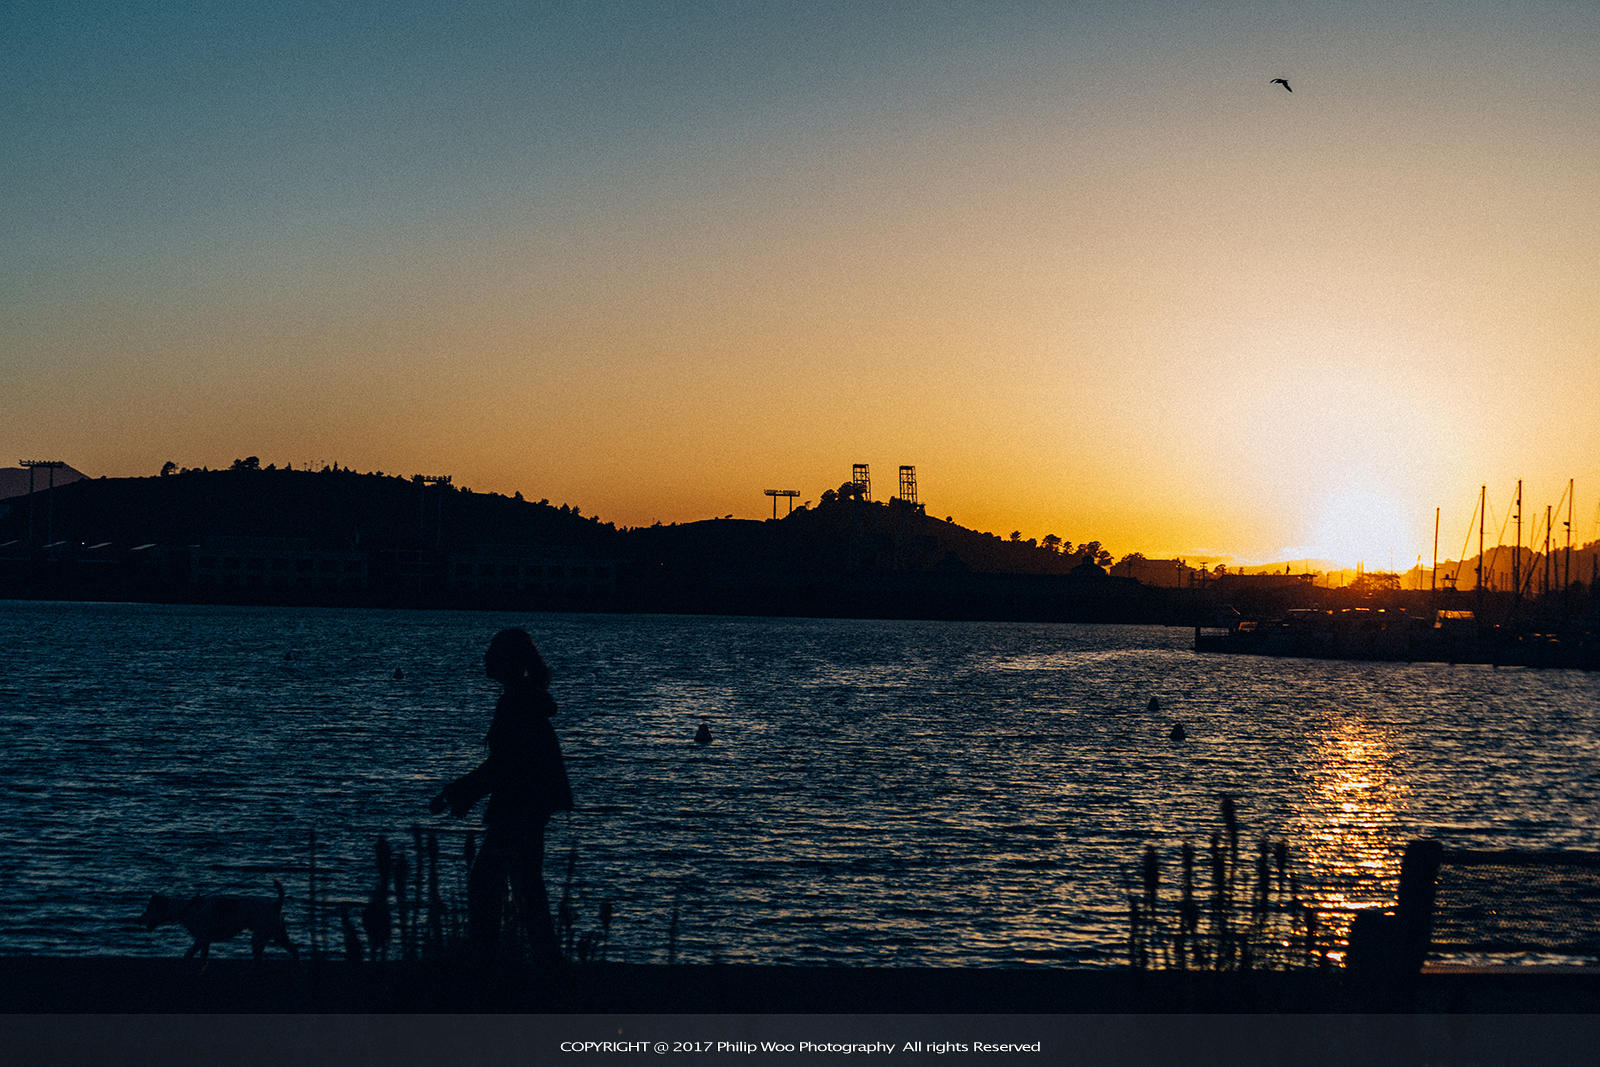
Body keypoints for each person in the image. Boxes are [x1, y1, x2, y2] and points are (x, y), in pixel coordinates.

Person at [429, 628, 572, 961]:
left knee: (491, 883)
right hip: (527, 805)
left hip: (520, 807)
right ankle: (542, 964)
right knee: (524, 888)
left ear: (508, 660)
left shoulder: (517, 703)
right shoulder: (523, 699)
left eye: (493, 651)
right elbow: (504, 764)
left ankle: (488, 963)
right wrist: (464, 792)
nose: (485, 657)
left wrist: (460, 792)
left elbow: (505, 764)